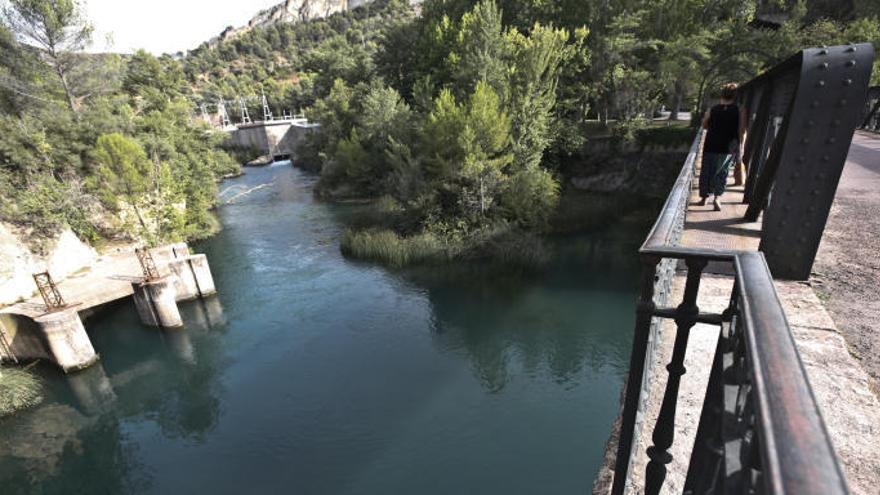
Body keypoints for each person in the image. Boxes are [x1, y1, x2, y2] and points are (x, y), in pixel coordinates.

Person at [698, 83, 747, 211]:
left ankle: (704, 197)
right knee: (722, 172)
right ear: (736, 96)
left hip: (711, 143)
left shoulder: (712, 109)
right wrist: (741, 147)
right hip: (728, 146)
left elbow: (704, 125)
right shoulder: (740, 109)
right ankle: (717, 198)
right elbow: (742, 130)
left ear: (722, 94)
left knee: (707, 170)